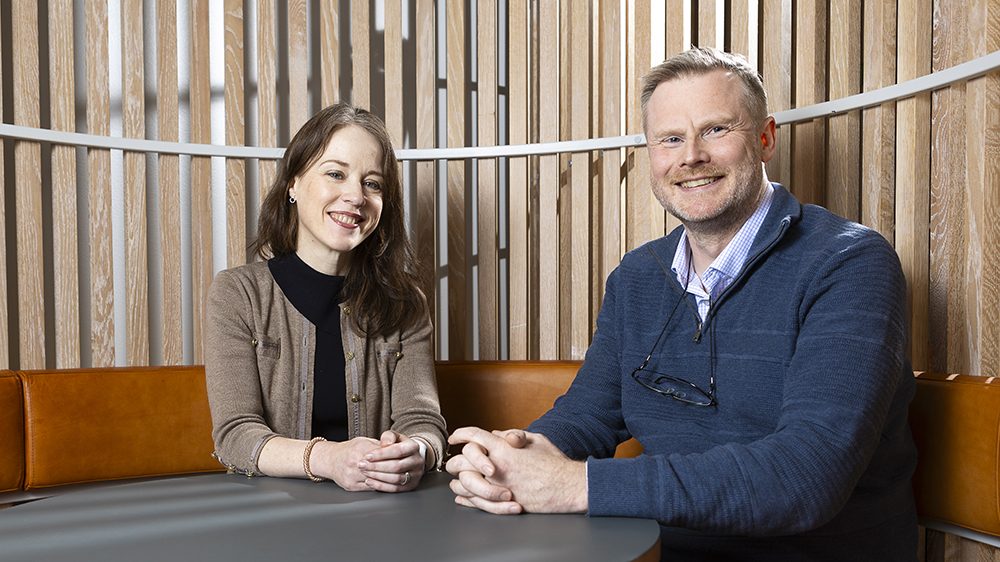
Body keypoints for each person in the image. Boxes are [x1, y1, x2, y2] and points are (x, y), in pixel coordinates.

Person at [447, 47, 918, 560]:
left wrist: (578, 485)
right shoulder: (637, 277)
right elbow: (587, 418)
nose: (690, 155)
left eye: (715, 130)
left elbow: (806, 475)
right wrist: (506, 463)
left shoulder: (849, 264)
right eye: (670, 138)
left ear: (765, 139)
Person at [206, 102, 447, 493]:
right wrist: (329, 459)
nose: (355, 196)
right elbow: (235, 435)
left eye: (372, 183)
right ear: (293, 184)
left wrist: (412, 453)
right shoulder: (238, 294)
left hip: (381, 514)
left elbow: (424, 423)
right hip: (266, 516)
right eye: (336, 174)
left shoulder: (406, 303)